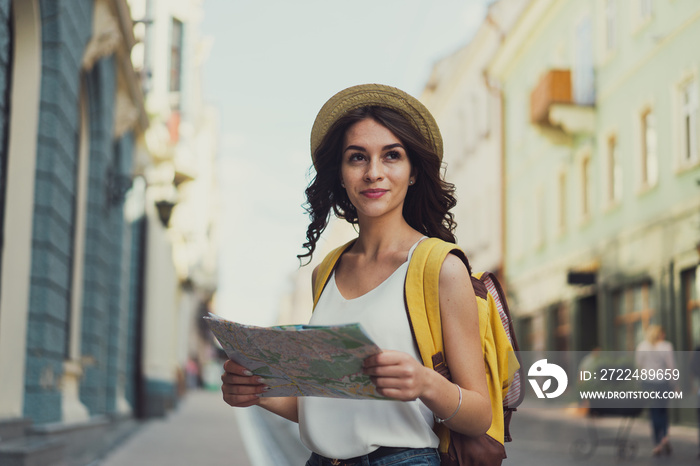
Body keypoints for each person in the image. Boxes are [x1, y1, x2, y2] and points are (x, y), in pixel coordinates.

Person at [220, 84, 491, 466]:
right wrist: (257, 392)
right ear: (342, 174)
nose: (374, 173)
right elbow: (329, 407)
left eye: (392, 156)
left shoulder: (440, 266)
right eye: (357, 158)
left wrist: (426, 384)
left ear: (413, 172)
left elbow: (480, 415)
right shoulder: (326, 271)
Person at [635, 324, 676, 457]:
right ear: (659, 334)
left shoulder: (642, 346)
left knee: (653, 413)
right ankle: (665, 437)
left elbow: (638, 365)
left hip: (647, 383)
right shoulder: (666, 346)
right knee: (663, 411)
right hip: (663, 383)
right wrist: (675, 383)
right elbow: (671, 367)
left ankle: (657, 443)